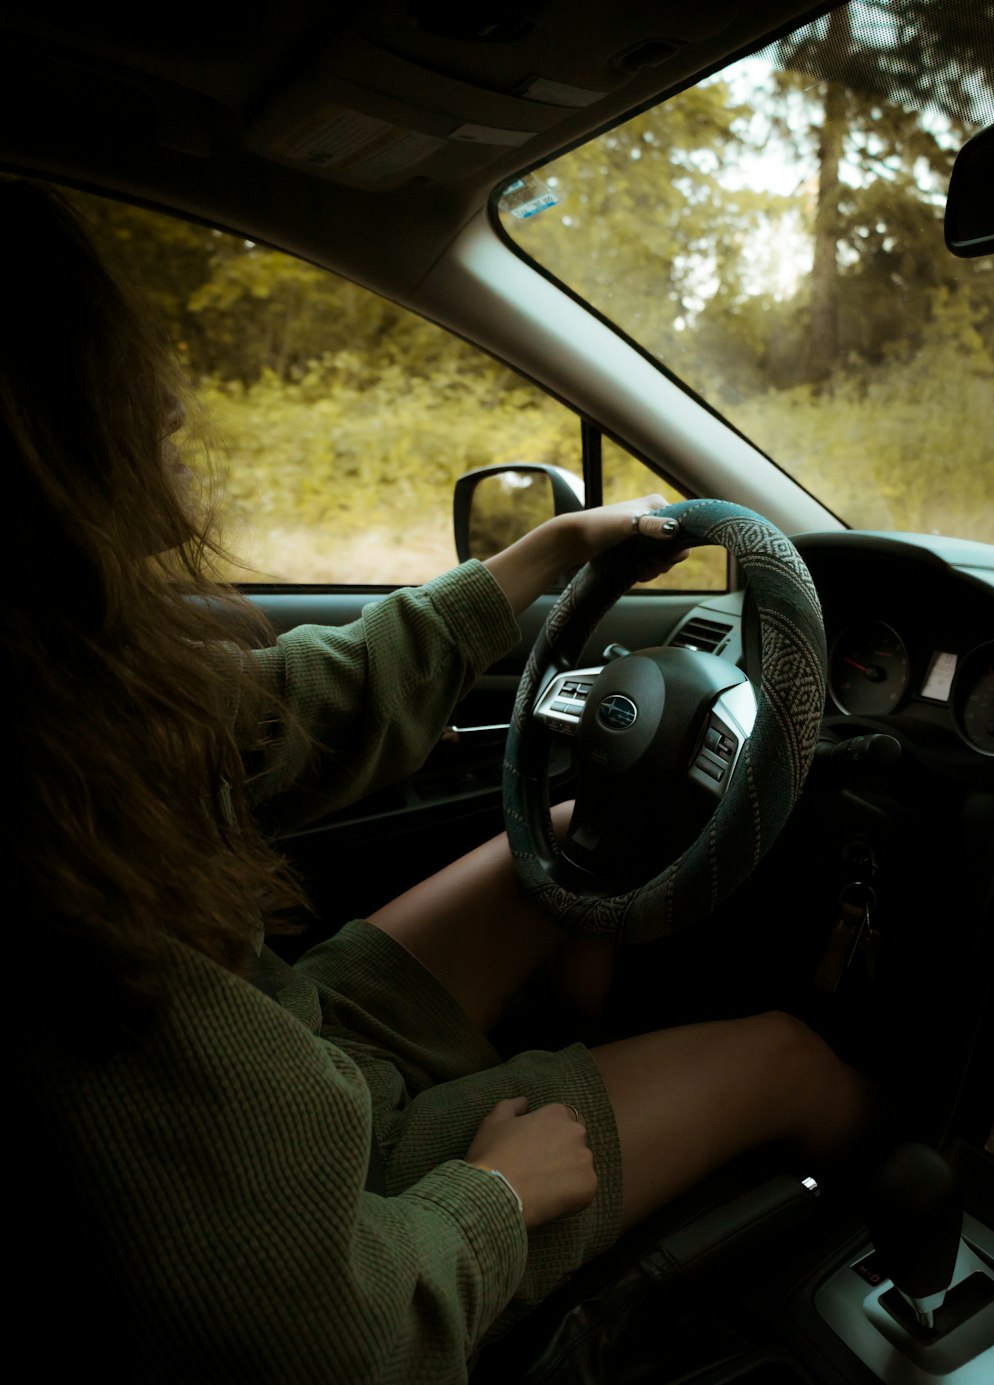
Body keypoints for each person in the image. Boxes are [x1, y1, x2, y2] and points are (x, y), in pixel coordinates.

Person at [8, 180, 874, 1383]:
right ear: (35, 447)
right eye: (116, 374)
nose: (166, 403)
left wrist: (541, 553)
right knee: (786, 1051)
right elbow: (322, 1334)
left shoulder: (54, 685)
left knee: (574, 828)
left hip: (287, 1072)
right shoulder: (35, 883)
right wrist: (489, 1199)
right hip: (349, 1224)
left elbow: (294, 711)